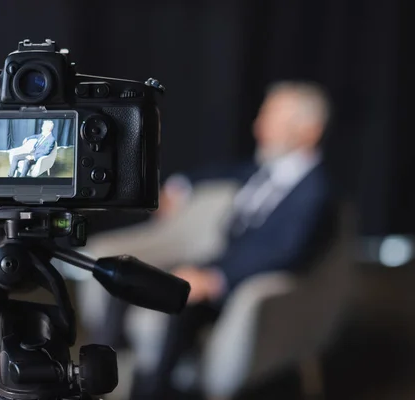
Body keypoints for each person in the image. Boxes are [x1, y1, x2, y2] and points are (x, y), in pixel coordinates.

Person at [123, 81, 334, 399]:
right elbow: (224, 172)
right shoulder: (264, 170)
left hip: (246, 283)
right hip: (220, 264)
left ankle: (157, 391)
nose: (258, 127)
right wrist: (180, 186)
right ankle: (118, 365)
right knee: (132, 274)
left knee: (182, 304)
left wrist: (217, 278)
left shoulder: (315, 192)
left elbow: (287, 252)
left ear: (309, 131)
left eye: (272, 119)